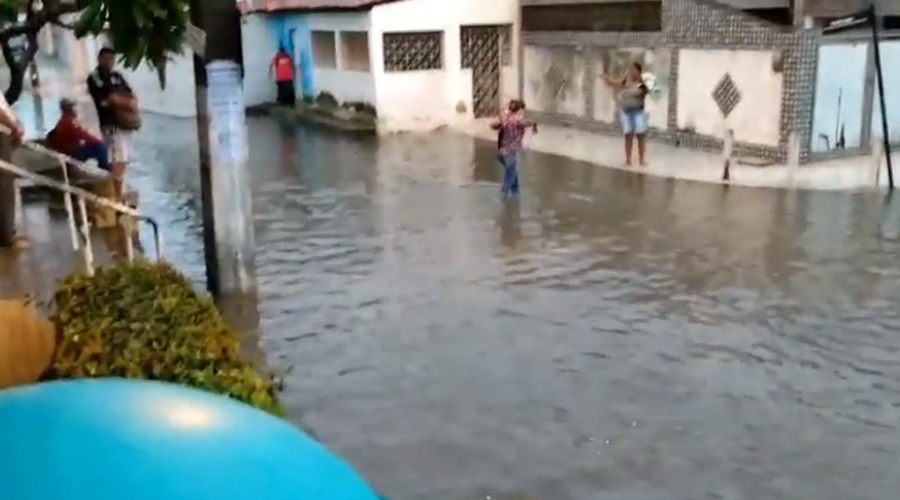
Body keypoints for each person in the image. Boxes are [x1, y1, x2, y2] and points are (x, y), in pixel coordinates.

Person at [86, 47, 138, 201]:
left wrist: (122, 101)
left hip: (124, 124)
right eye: (107, 58)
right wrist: (124, 101)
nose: (109, 62)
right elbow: (109, 99)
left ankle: (119, 191)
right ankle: (117, 196)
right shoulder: (95, 77)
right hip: (111, 125)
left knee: (123, 158)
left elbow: (131, 98)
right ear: (100, 59)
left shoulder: (117, 76)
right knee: (116, 159)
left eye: (112, 59)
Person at [602, 62, 649, 166]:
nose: (631, 72)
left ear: (638, 71)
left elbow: (637, 92)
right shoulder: (626, 82)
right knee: (628, 136)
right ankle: (628, 159)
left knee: (640, 136)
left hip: (638, 113)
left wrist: (625, 91)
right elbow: (615, 84)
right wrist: (607, 79)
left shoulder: (642, 83)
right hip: (627, 112)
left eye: (633, 70)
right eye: (630, 70)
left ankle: (642, 160)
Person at [45, 98, 110, 171]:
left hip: (69, 150)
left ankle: (103, 166)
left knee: (94, 145)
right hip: (71, 152)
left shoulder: (64, 120)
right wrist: (99, 142)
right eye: (74, 107)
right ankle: (104, 168)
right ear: (69, 109)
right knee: (100, 147)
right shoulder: (69, 122)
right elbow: (84, 136)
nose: (76, 110)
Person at [490, 99, 537, 197]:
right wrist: (534, 123)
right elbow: (527, 122)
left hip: (501, 153)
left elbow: (493, 125)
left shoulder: (504, 118)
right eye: (522, 110)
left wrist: (503, 114)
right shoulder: (519, 120)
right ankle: (504, 195)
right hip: (511, 153)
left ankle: (516, 191)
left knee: (512, 172)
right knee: (510, 176)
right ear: (520, 110)